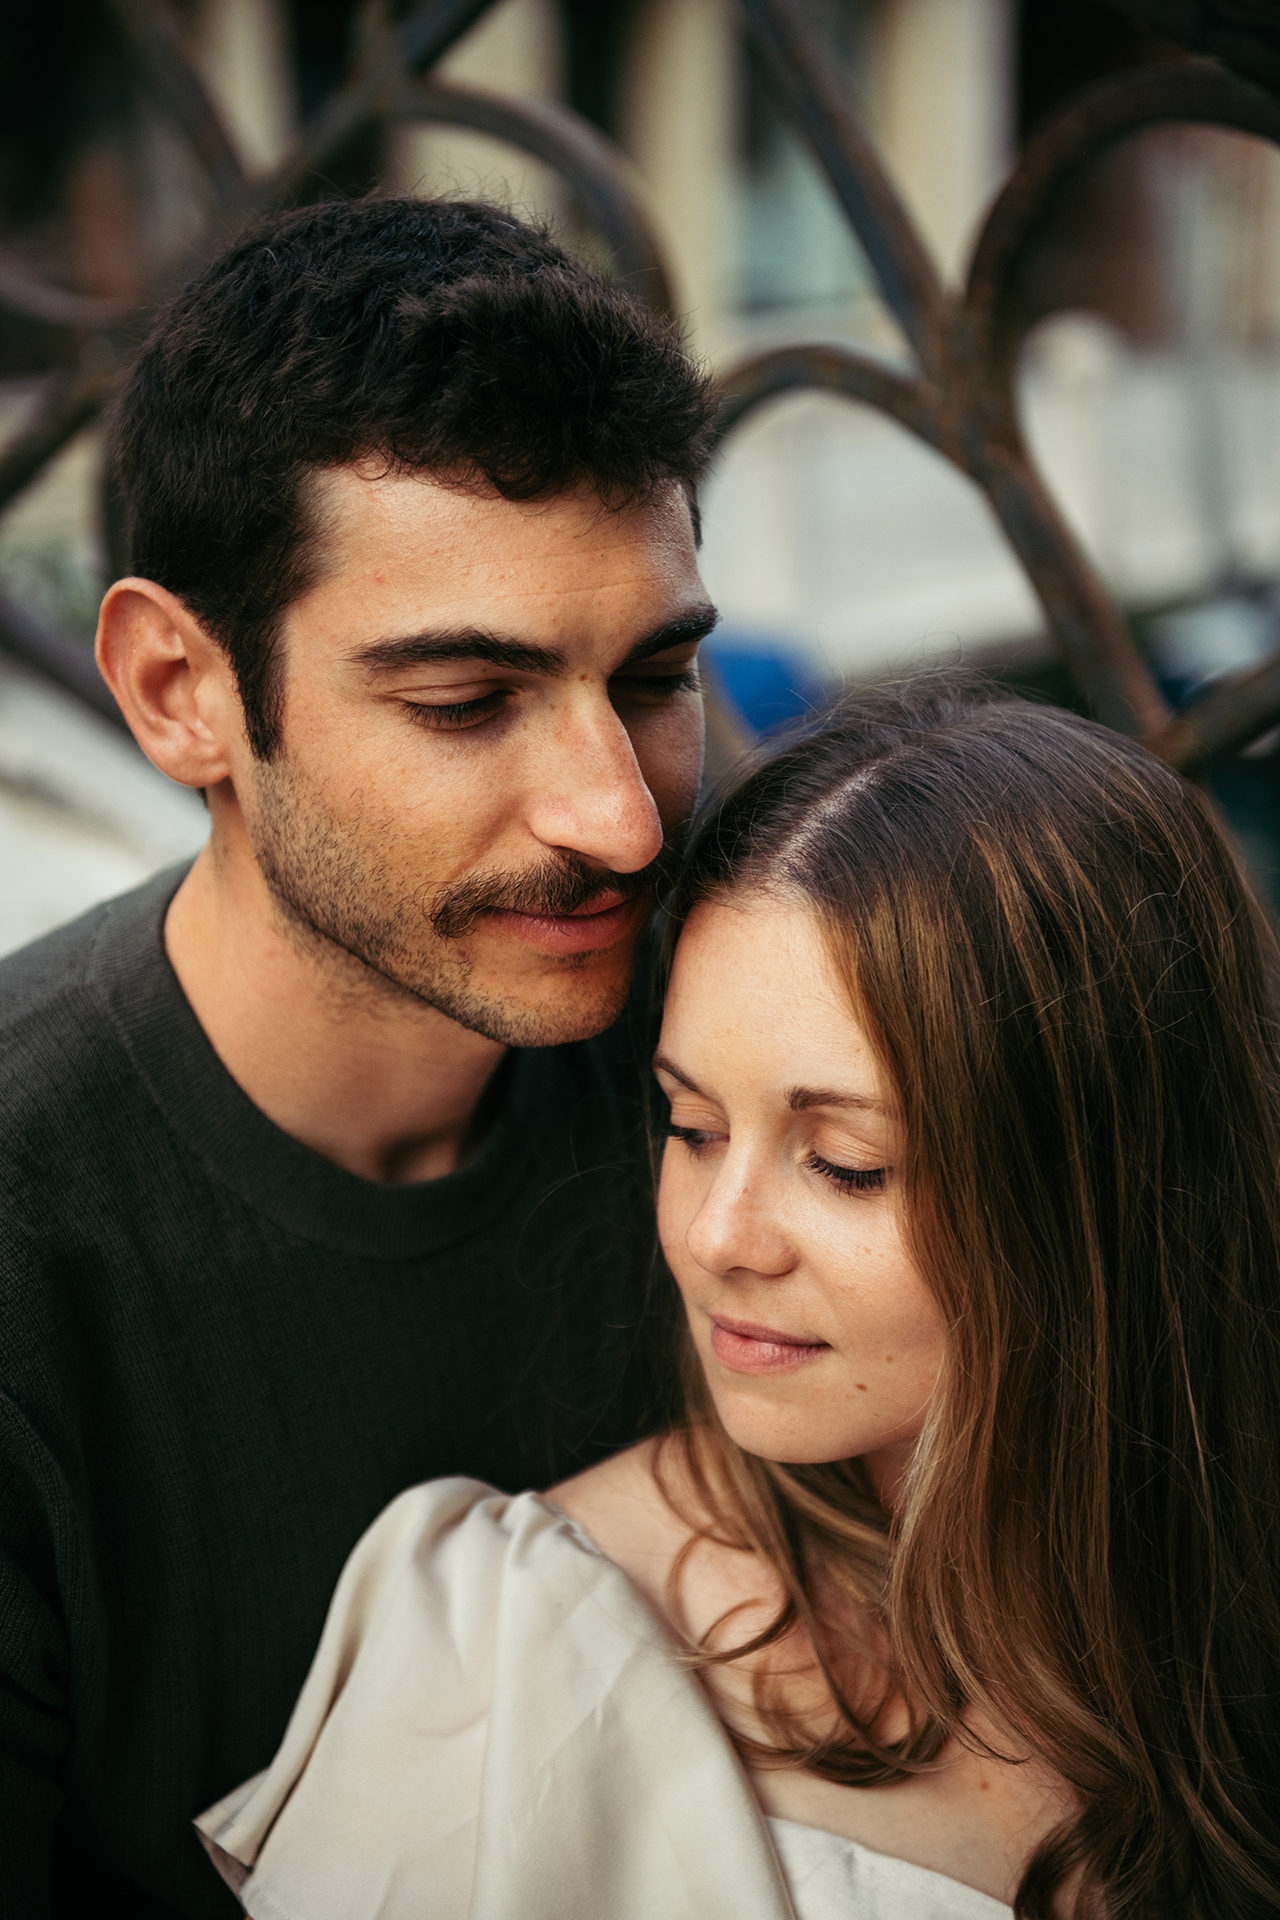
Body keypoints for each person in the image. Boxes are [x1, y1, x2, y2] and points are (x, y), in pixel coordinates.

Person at [195, 684, 1280, 1920]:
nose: (716, 1238)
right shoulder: (515, 1654)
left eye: (844, 1163)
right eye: (691, 1126)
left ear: (1105, 1186)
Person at [0, 196, 720, 1916]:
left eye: (657, 676)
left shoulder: (756, 1056)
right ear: (178, 689)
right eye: (466, 702)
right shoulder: (32, 1248)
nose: (617, 816)